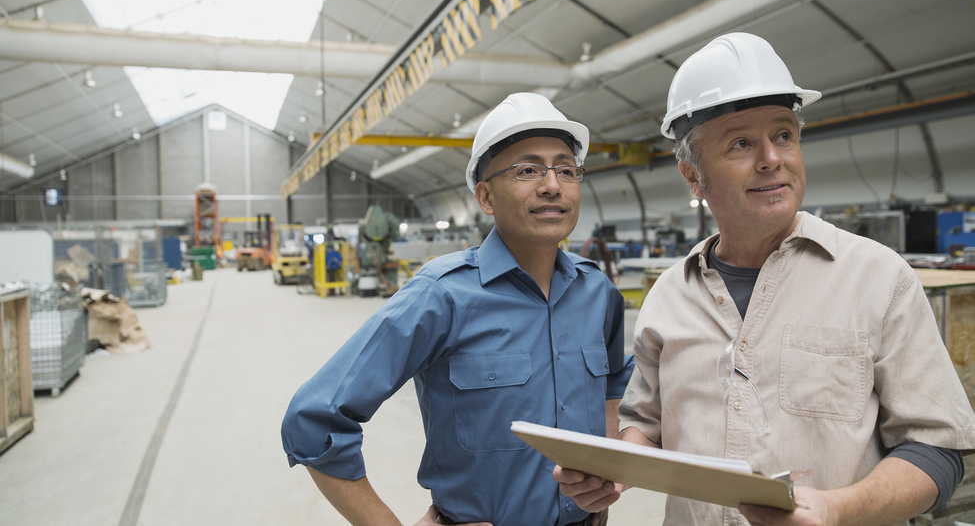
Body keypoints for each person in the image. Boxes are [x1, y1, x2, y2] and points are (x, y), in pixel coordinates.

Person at [555, 32, 975, 526]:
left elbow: (938, 451)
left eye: (783, 135)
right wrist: (613, 470)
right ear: (693, 176)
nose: (772, 158)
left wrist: (836, 510)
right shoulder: (669, 295)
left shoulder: (880, 280)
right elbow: (645, 426)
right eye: (740, 143)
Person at [282, 92, 633, 526]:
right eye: (527, 170)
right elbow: (313, 420)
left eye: (566, 169)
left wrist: (607, 465)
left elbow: (615, 380)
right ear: (486, 197)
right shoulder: (441, 296)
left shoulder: (596, 291)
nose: (552, 185)